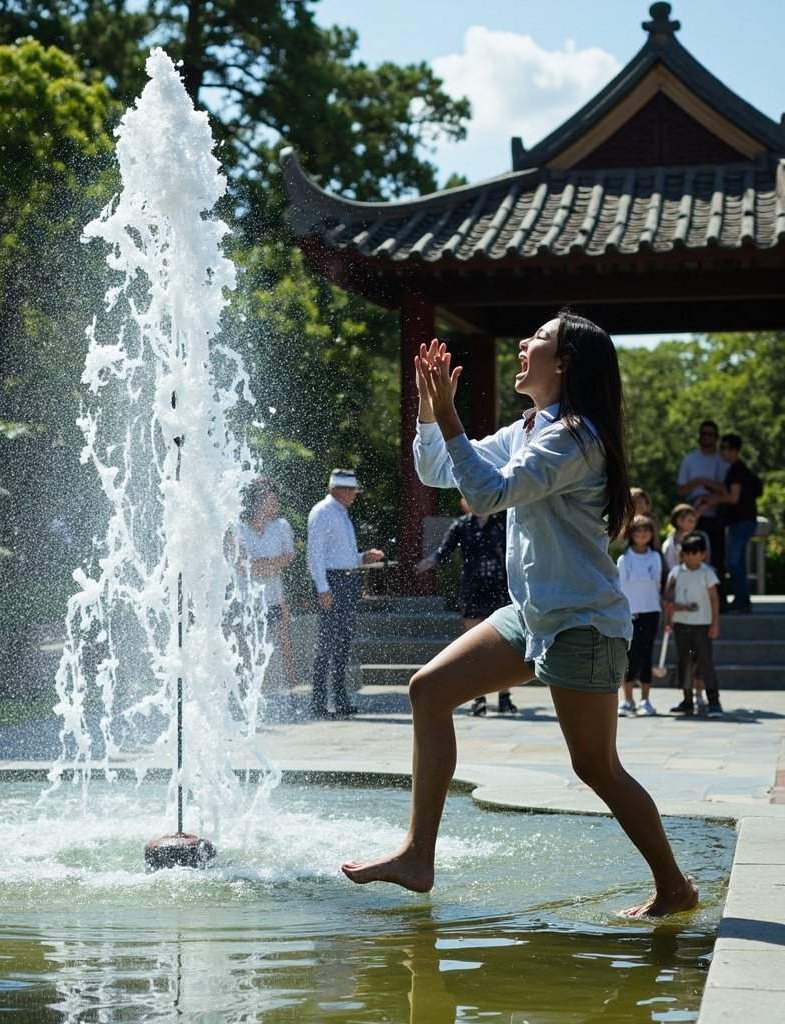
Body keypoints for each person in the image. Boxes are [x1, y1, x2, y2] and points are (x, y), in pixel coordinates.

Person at [341, 310, 698, 918]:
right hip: (531, 615)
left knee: (596, 767)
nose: (525, 345)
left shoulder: (578, 437)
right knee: (428, 690)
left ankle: (674, 885)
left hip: (583, 622)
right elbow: (438, 470)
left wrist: (451, 416)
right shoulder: (530, 427)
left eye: (539, 340)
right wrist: (430, 409)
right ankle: (417, 855)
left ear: (564, 364)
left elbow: (487, 495)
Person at [416, 499, 517, 715]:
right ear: (465, 504)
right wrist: (429, 562)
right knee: (476, 647)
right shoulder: (461, 526)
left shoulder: (503, 525)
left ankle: (504, 697)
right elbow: (444, 551)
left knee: (503, 646)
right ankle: (478, 698)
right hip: (473, 588)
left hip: (498, 588)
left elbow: (515, 554)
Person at [306, 469, 385, 719]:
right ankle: (318, 701)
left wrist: (363, 558)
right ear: (338, 490)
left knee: (342, 643)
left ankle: (339, 698)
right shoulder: (322, 512)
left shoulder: (341, 513)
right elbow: (315, 554)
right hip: (333, 581)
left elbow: (341, 554)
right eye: (351, 490)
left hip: (346, 580)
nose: (354, 495)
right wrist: (322, 588)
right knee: (327, 642)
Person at [238, 476, 297, 688]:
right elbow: (238, 563)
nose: (275, 505)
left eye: (275, 501)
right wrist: (266, 565)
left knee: (284, 646)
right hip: (247, 600)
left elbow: (288, 557)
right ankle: (251, 691)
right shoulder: (239, 529)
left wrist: (263, 565)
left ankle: (292, 696)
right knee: (248, 648)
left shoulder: (280, 527)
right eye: (270, 501)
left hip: (275, 598)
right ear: (257, 502)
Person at [664, 533, 723, 717]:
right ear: (682, 554)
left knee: (706, 663)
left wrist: (715, 624)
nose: (691, 557)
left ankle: (713, 701)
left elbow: (714, 599)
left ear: (703, 554)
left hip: (702, 626)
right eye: (687, 553)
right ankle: (687, 700)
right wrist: (668, 619)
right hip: (681, 625)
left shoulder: (707, 572)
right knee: (685, 663)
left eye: (695, 553)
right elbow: (668, 598)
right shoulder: (676, 572)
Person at [703, 434, 761, 613]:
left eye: (726, 448)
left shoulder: (737, 470)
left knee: (734, 562)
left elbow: (733, 498)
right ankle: (742, 600)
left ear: (735, 450)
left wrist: (714, 500)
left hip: (741, 521)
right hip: (742, 521)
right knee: (737, 562)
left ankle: (741, 601)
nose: (722, 452)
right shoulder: (736, 469)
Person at [677, 420, 728, 608]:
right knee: (692, 554)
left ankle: (719, 598)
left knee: (717, 557)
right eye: (704, 434)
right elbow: (681, 490)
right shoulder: (689, 459)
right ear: (699, 437)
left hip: (715, 514)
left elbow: (727, 490)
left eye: (711, 434)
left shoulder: (722, 461)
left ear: (716, 437)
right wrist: (698, 482)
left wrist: (706, 485)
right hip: (693, 513)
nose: (707, 437)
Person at [616, 515, 663, 717]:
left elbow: (656, 582)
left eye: (646, 531)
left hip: (651, 610)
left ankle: (645, 699)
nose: (642, 535)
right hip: (631, 612)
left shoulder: (655, 557)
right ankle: (627, 699)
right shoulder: (624, 559)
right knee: (631, 655)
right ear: (630, 534)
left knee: (647, 655)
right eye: (637, 531)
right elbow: (621, 587)